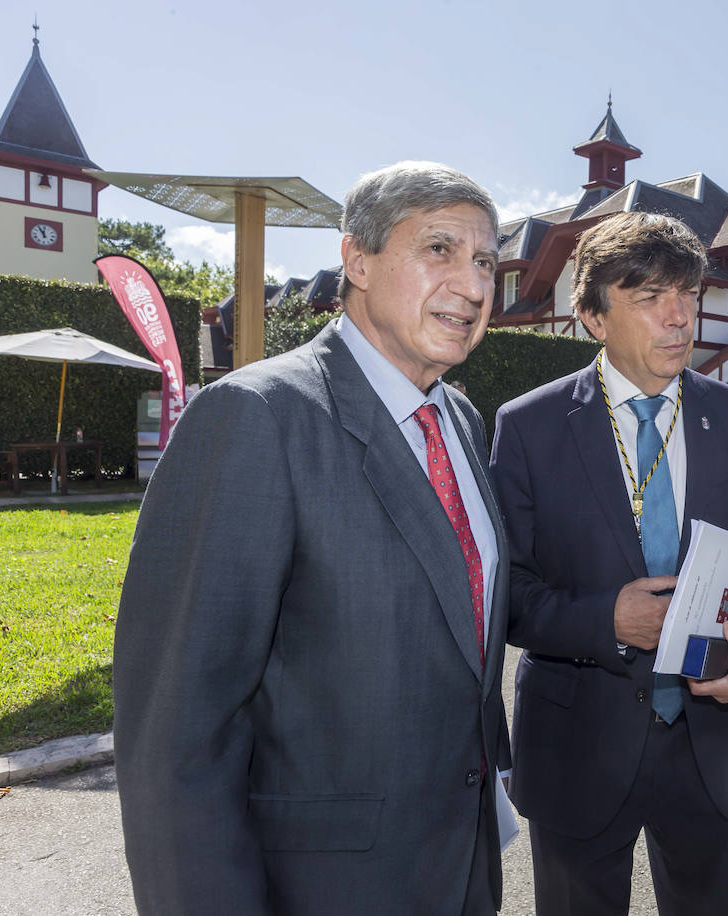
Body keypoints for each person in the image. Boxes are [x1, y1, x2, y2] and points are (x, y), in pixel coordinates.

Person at [114, 162, 511, 915]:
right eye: (439, 250)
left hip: (460, 873)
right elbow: (178, 736)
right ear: (356, 259)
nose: (473, 285)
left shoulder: (459, 419)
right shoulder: (253, 418)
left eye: (486, 261)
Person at [490, 211, 728, 916]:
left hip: (712, 750)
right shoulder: (527, 427)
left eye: (688, 296)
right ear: (593, 317)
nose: (679, 318)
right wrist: (605, 619)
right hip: (577, 744)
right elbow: (501, 591)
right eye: (648, 298)